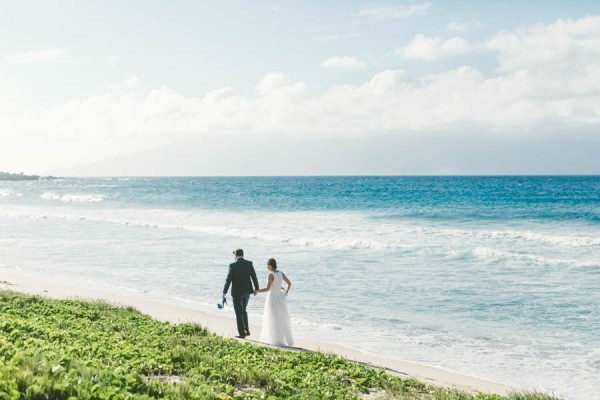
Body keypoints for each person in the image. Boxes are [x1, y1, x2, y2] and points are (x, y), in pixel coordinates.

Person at [254, 258, 293, 347]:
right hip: (280, 297)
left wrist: (257, 291)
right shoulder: (281, 273)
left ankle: (275, 339)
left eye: (267, 265)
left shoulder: (270, 275)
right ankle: (282, 339)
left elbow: (267, 289)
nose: (267, 267)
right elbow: (289, 283)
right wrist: (285, 292)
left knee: (272, 318)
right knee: (280, 318)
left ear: (270, 265)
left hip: (272, 298)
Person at [223, 249, 259, 338]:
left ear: (235, 256)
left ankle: (242, 333)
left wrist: (224, 292)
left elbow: (228, 279)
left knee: (239, 312)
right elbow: (254, 277)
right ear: (242, 255)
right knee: (244, 310)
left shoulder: (232, 265)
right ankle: (246, 330)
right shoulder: (249, 264)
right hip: (247, 291)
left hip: (237, 292)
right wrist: (256, 289)